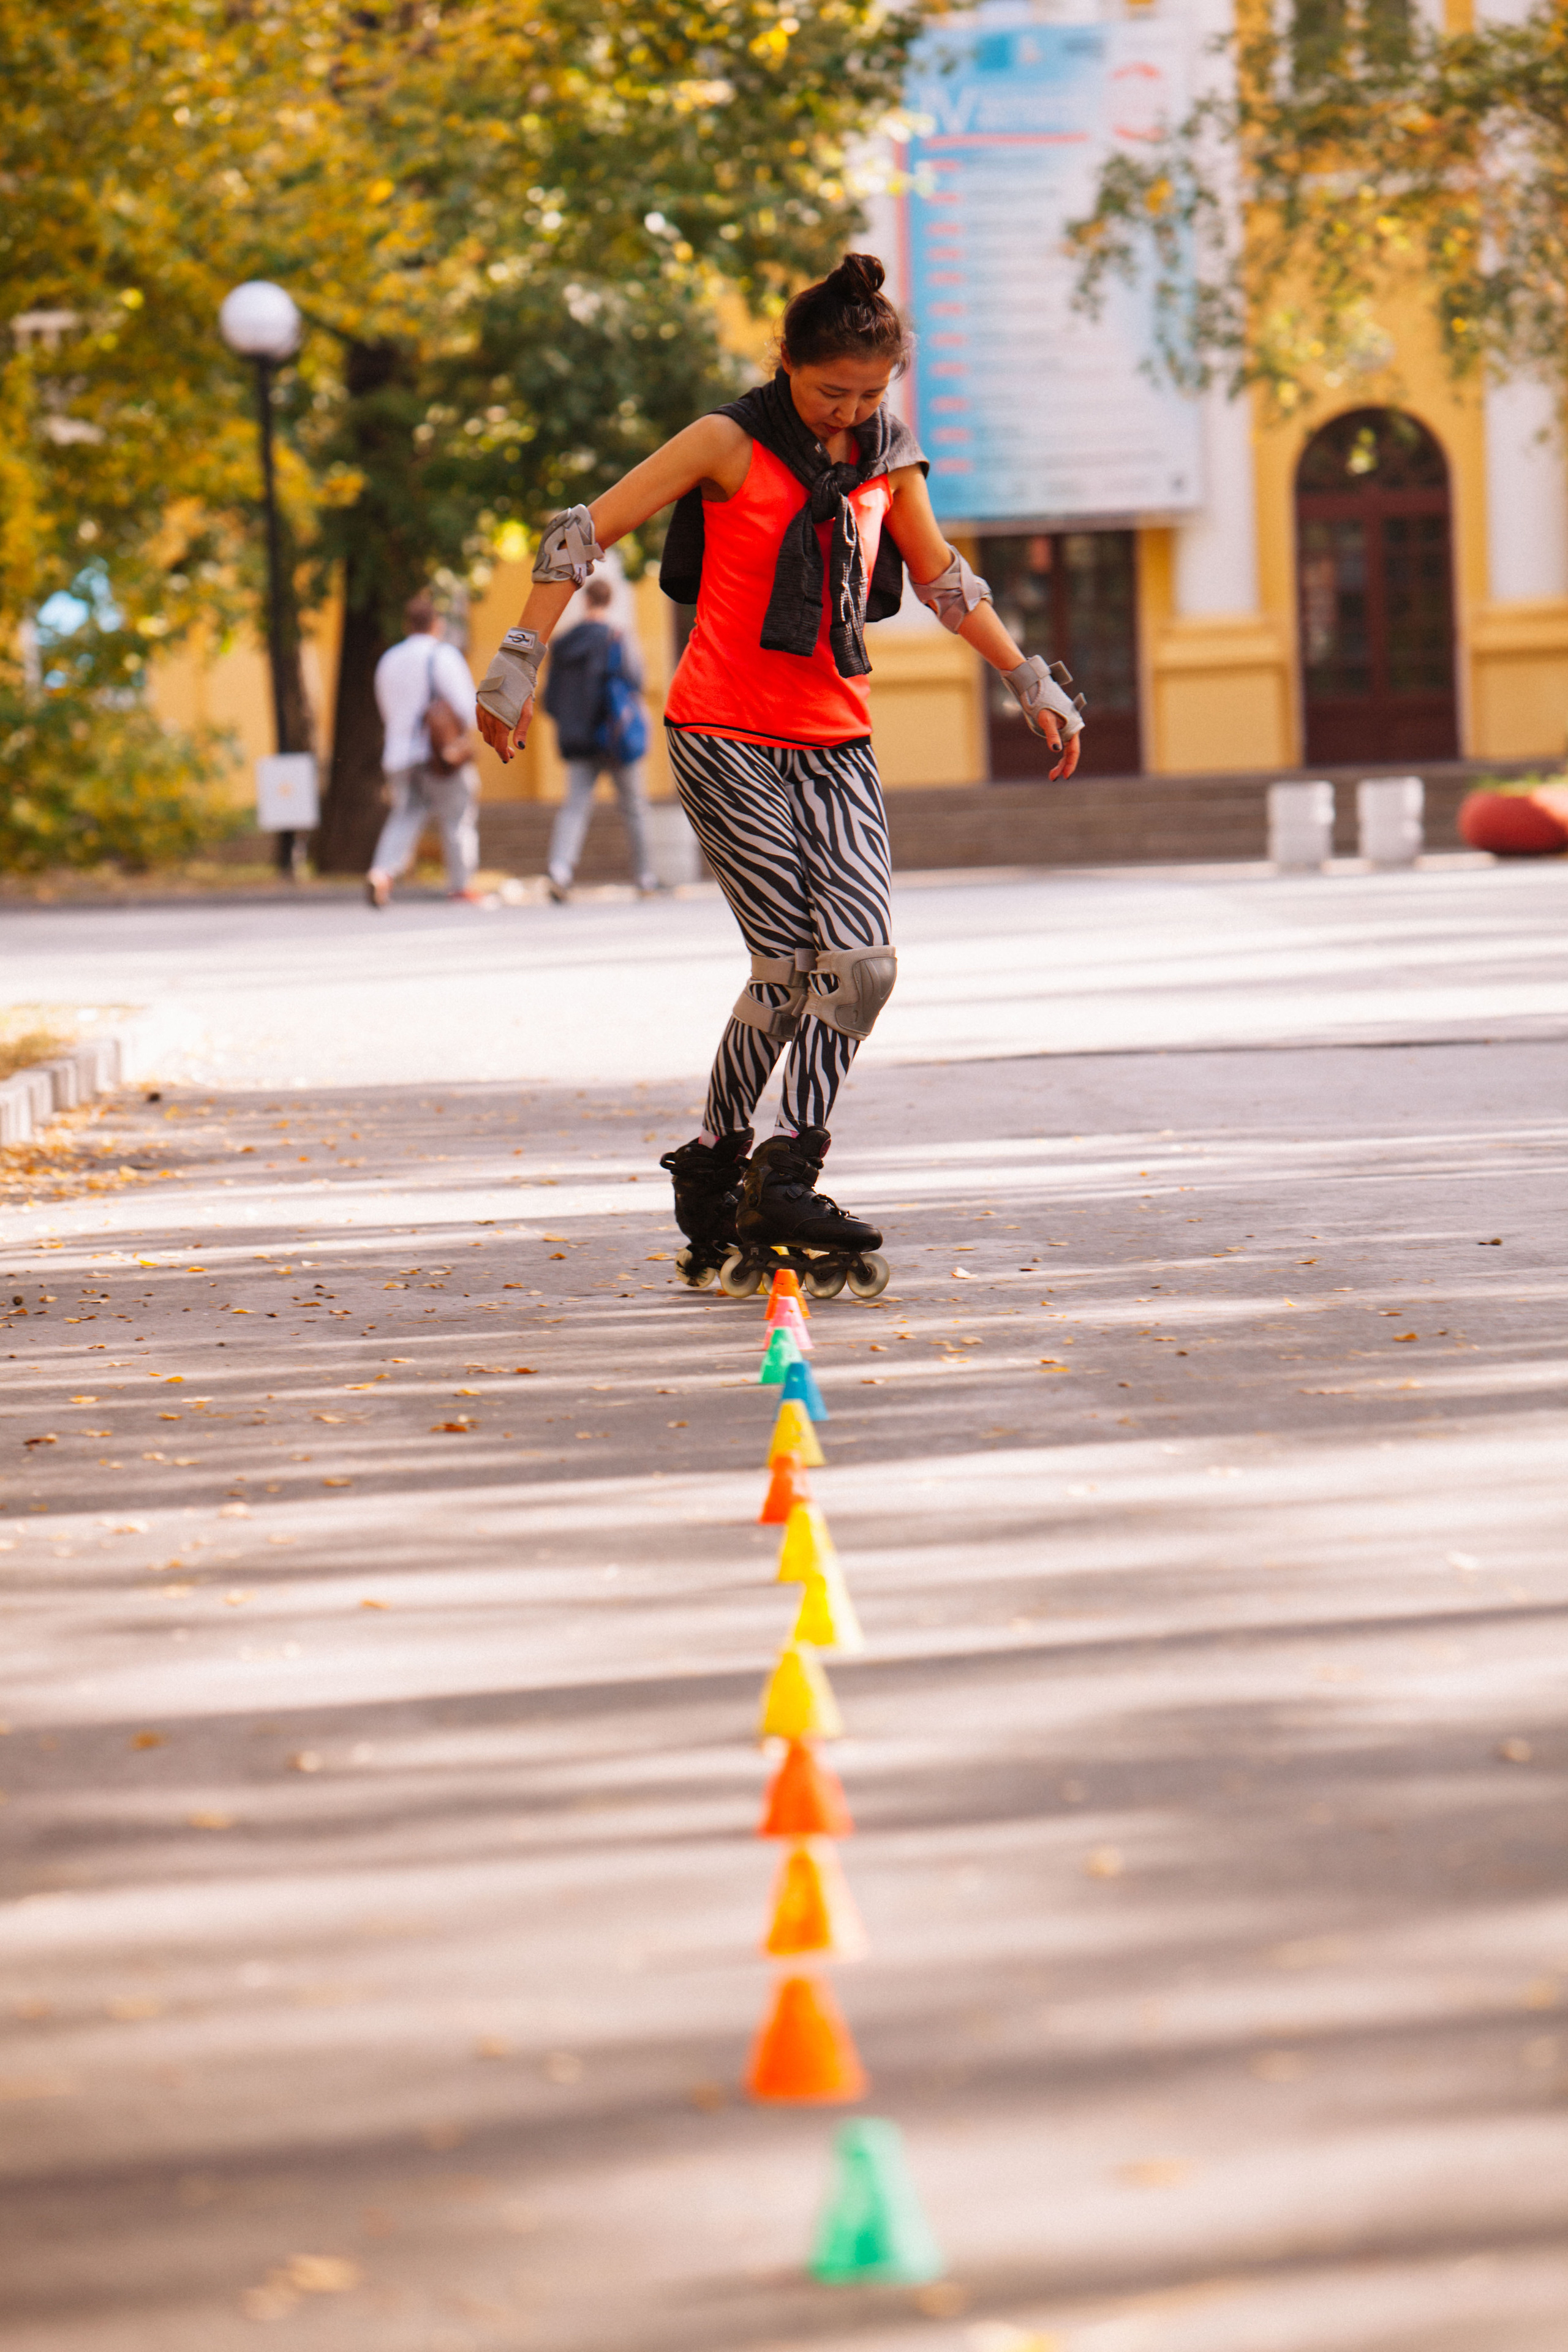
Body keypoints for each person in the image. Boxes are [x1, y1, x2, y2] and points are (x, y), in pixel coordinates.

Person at [475, 252, 1085, 1278]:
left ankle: (773, 1161)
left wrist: (1027, 678)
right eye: (829, 392)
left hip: (836, 734)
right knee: (793, 959)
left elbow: (939, 575)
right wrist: (515, 660)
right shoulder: (726, 440)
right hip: (722, 731)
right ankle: (730, 1164)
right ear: (787, 367)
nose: (849, 413)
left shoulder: (888, 451)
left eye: (870, 394)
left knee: (863, 963)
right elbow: (583, 534)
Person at [540, 575, 658, 902]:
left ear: (585, 600)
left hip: (578, 738)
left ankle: (560, 871)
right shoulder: (618, 636)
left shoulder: (564, 644)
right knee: (634, 807)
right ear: (610, 601)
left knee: (574, 807)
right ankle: (645, 877)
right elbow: (636, 680)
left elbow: (550, 699)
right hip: (616, 736)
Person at [366, 590, 483, 909]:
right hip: (436, 754)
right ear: (436, 624)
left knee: (405, 814)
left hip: (398, 753)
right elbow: (466, 706)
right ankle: (461, 886)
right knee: (457, 815)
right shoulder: (442, 656)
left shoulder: (388, 660)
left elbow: (386, 708)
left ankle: (382, 873)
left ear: (407, 625)